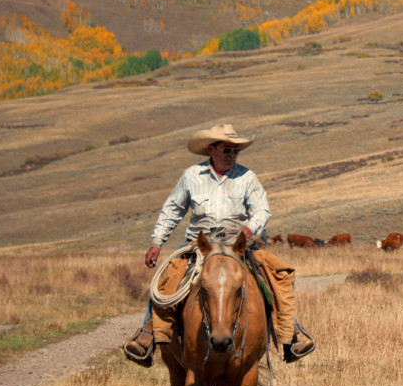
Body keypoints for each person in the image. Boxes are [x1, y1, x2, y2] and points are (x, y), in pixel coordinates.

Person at [123, 123, 314, 366]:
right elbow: (173, 210)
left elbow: (262, 210)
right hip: (200, 246)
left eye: (235, 151)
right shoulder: (192, 176)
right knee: (167, 279)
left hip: (237, 246)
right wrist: (157, 242)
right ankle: (147, 335)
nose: (232, 155)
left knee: (276, 276)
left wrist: (249, 228)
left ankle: (292, 334)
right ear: (211, 150)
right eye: (227, 150)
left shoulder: (247, 177)